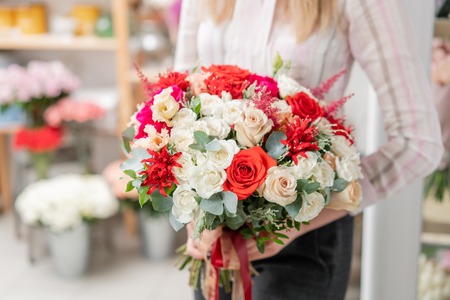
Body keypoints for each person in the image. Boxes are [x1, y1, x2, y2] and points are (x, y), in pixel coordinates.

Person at [174, 0, 444, 299]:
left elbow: (419, 142)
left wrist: (306, 214)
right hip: (214, 233)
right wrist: (193, 209)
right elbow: (177, 100)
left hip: (304, 246)